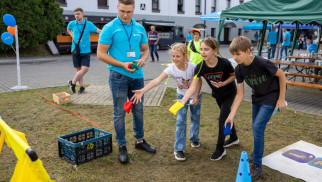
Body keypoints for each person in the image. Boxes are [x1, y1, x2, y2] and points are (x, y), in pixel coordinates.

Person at [97, 0, 156, 164]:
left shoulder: (139, 28)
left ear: (133, 10)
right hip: (118, 76)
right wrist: (122, 64)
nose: (125, 15)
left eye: (129, 12)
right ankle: (122, 146)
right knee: (120, 112)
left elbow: (145, 50)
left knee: (138, 110)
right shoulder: (110, 28)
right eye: (122, 11)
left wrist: (143, 59)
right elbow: (101, 54)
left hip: (137, 76)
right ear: (117, 8)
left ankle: (139, 141)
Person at [225, 36, 286, 181]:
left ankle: (257, 165)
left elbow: (282, 75)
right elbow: (240, 95)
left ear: (248, 51)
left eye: (238, 54)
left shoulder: (262, 62)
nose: (235, 57)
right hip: (257, 97)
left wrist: (281, 99)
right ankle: (257, 152)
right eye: (233, 54)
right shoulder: (238, 69)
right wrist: (231, 115)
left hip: (271, 95)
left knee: (258, 126)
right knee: (256, 127)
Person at [131, 43, 202, 161]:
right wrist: (143, 90)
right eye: (173, 56)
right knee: (180, 121)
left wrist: (196, 97)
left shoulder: (193, 67)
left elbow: (199, 82)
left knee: (195, 118)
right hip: (180, 97)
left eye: (178, 56)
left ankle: (194, 138)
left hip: (195, 96)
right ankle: (178, 149)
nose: (174, 59)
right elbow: (157, 80)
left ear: (185, 56)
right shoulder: (171, 68)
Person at [178, 37, 239, 161]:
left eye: (206, 49)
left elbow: (234, 76)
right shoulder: (200, 67)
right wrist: (185, 99)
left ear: (214, 50)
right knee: (226, 116)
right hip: (218, 95)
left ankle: (220, 149)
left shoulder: (225, 63)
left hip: (230, 93)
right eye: (201, 49)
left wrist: (223, 83)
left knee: (222, 119)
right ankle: (234, 138)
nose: (203, 52)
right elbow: (194, 84)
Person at [67, 8, 101, 94]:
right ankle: (82, 87)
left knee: (85, 69)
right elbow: (68, 29)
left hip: (85, 50)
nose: (77, 16)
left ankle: (72, 83)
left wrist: (107, 32)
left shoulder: (88, 24)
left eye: (78, 14)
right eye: (75, 14)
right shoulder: (72, 23)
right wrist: (72, 35)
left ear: (83, 14)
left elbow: (98, 31)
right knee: (78, 71)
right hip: (75, 50)